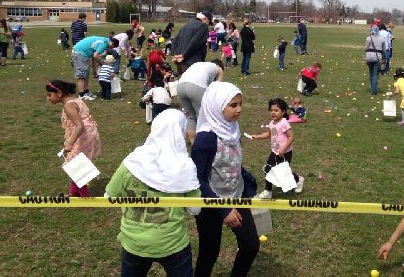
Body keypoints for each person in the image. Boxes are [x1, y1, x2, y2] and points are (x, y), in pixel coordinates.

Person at [105, 109, 201, 276]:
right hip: (172, 244)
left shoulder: (132, 161)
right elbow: (195, 209)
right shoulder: (185, 166)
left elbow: (109, 196)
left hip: (134, 242)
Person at [191, 81, 259, 276]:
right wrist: (223, 209)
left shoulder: (232, 128)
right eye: (233, 105)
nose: (239, 110)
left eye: (240, 104)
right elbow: (197, 179)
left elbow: (230, 161)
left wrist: (246, 179)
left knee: (250, 245)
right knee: (209, 253)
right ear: (216, 107)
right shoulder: (205, 139)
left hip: (236, 196)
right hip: (211, 204)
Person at [46, 80, 101, 197]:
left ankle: (84, 198)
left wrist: (69, 144)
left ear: (59, 93)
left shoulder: (68, 106)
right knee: (77, 164)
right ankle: (74, 192)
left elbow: (79, 125)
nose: (48, 98)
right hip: (89, 133)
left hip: (84, 136)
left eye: (49, 95)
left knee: (77, 166)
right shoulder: (76, 100)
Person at [248, 98, 304, 199]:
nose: (273, 112)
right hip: (274, 152)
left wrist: (283, 149)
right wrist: (257, 136)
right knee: (268, 169)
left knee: (282, 173)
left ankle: (298, 180)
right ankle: (268, 191)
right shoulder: (272, 123)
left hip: (285, 153)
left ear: (283, 112)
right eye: (271, 110)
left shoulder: (284, 123)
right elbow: (270, 134)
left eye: (276, 110)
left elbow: (291, 136)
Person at [177, 59, 224, 145]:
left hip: (180, 86)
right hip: (196, 86)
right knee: (203, 117)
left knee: (190, 117)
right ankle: (205, 143)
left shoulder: (199, 64)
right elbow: (218, 87)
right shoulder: (218, 69)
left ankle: (194, 143)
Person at [72, 35, 114, 101]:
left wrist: (95, 70)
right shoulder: (103, 44)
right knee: (81, 75)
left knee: (85, 74)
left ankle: (86, 92)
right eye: (113, 47)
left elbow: (94, 57)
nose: (112, 48)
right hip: (79, 53)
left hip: (83, 54)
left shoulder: (103, 40)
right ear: (112, 43)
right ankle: (81, 95)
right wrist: (101, 64)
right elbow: (95, 56)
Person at [365, 25, 386, 95]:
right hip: (377, 58)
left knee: (371, 73)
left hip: (369, 57)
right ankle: (373, 91)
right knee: (375, 75)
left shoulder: (368, 38)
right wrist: (384, 58)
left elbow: (365, 49)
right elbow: (384, 51)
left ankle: (372, 88)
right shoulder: (382, 39)